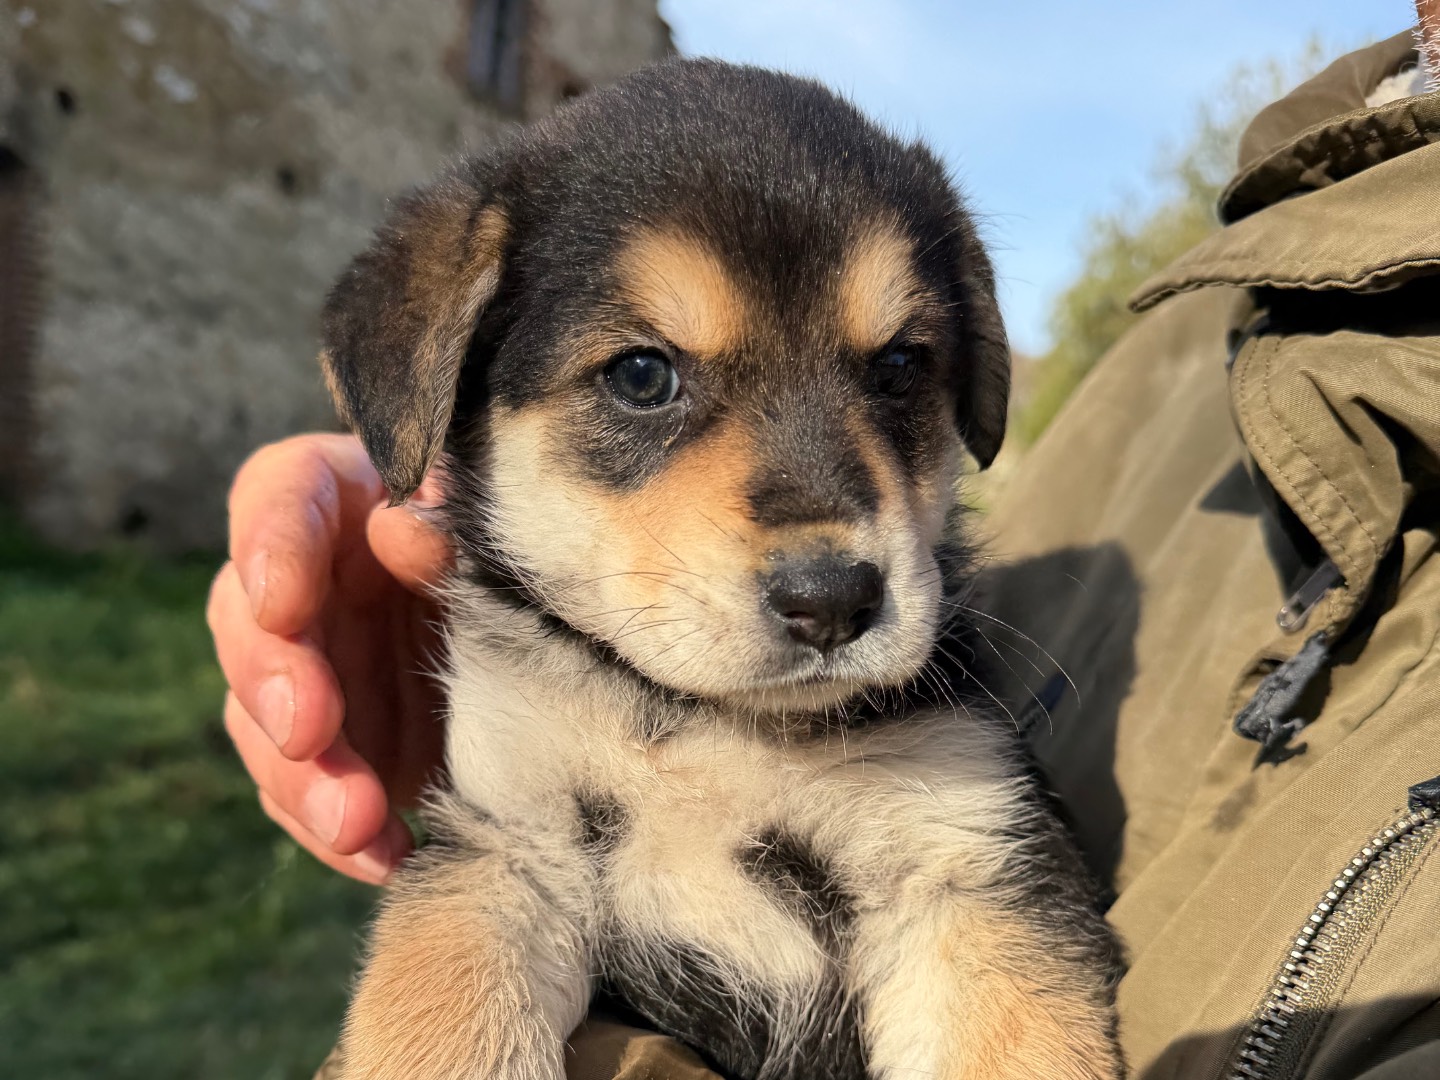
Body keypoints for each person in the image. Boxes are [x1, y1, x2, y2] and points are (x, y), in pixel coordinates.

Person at [208, 15, 1440, 1079]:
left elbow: (989, 949)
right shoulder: (1199, 361)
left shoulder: (929, 700)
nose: (825, 549)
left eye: (899, 368)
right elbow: (495, 887)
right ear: (452, 404)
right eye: (643, 379)